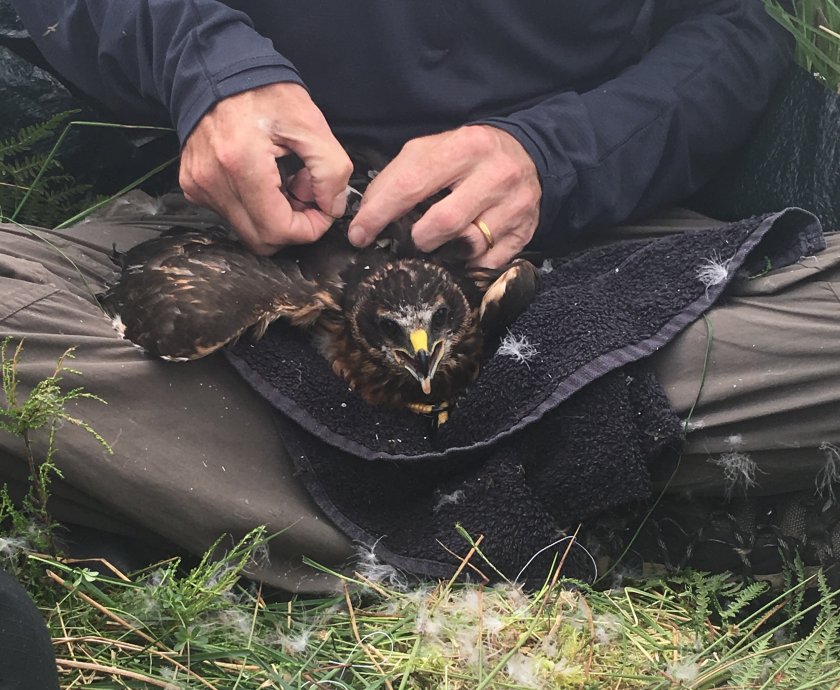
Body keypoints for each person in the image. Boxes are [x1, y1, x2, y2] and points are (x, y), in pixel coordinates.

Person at [1, 0, 838, 594]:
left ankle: (258, 510)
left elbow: (740, 33)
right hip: (237, 233)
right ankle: (605, 504)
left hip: (585, 244)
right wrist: (209, 66)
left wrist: (555, 158)